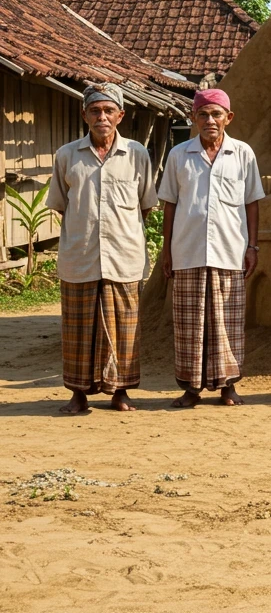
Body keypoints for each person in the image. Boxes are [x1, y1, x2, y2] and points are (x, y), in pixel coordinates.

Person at [46, 83, 158, 414]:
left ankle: (120, 392)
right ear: (84, 115)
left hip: (124, 256)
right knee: (78, 330)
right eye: (95, 111)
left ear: (120, 115)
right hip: (80, 257)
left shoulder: (136, 153)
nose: (102, 117)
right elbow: (62, 205)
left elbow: (145, 205)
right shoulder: (66, 155)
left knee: (124, 330)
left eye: (109, 111)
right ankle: (78, 394)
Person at [158, 88, 264, 407]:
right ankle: (191, 389)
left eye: (216, 114)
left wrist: (253, 247)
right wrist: (166, 251)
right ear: (193, 118)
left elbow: (252, 205)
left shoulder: (243, 154)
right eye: (203, 114)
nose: (210, 121)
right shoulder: (179, 155)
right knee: (190, 325)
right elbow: (170, 206)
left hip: (230, 252)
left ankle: (228, 387)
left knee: (226, 323)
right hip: (187, 251)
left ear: (228, 118)